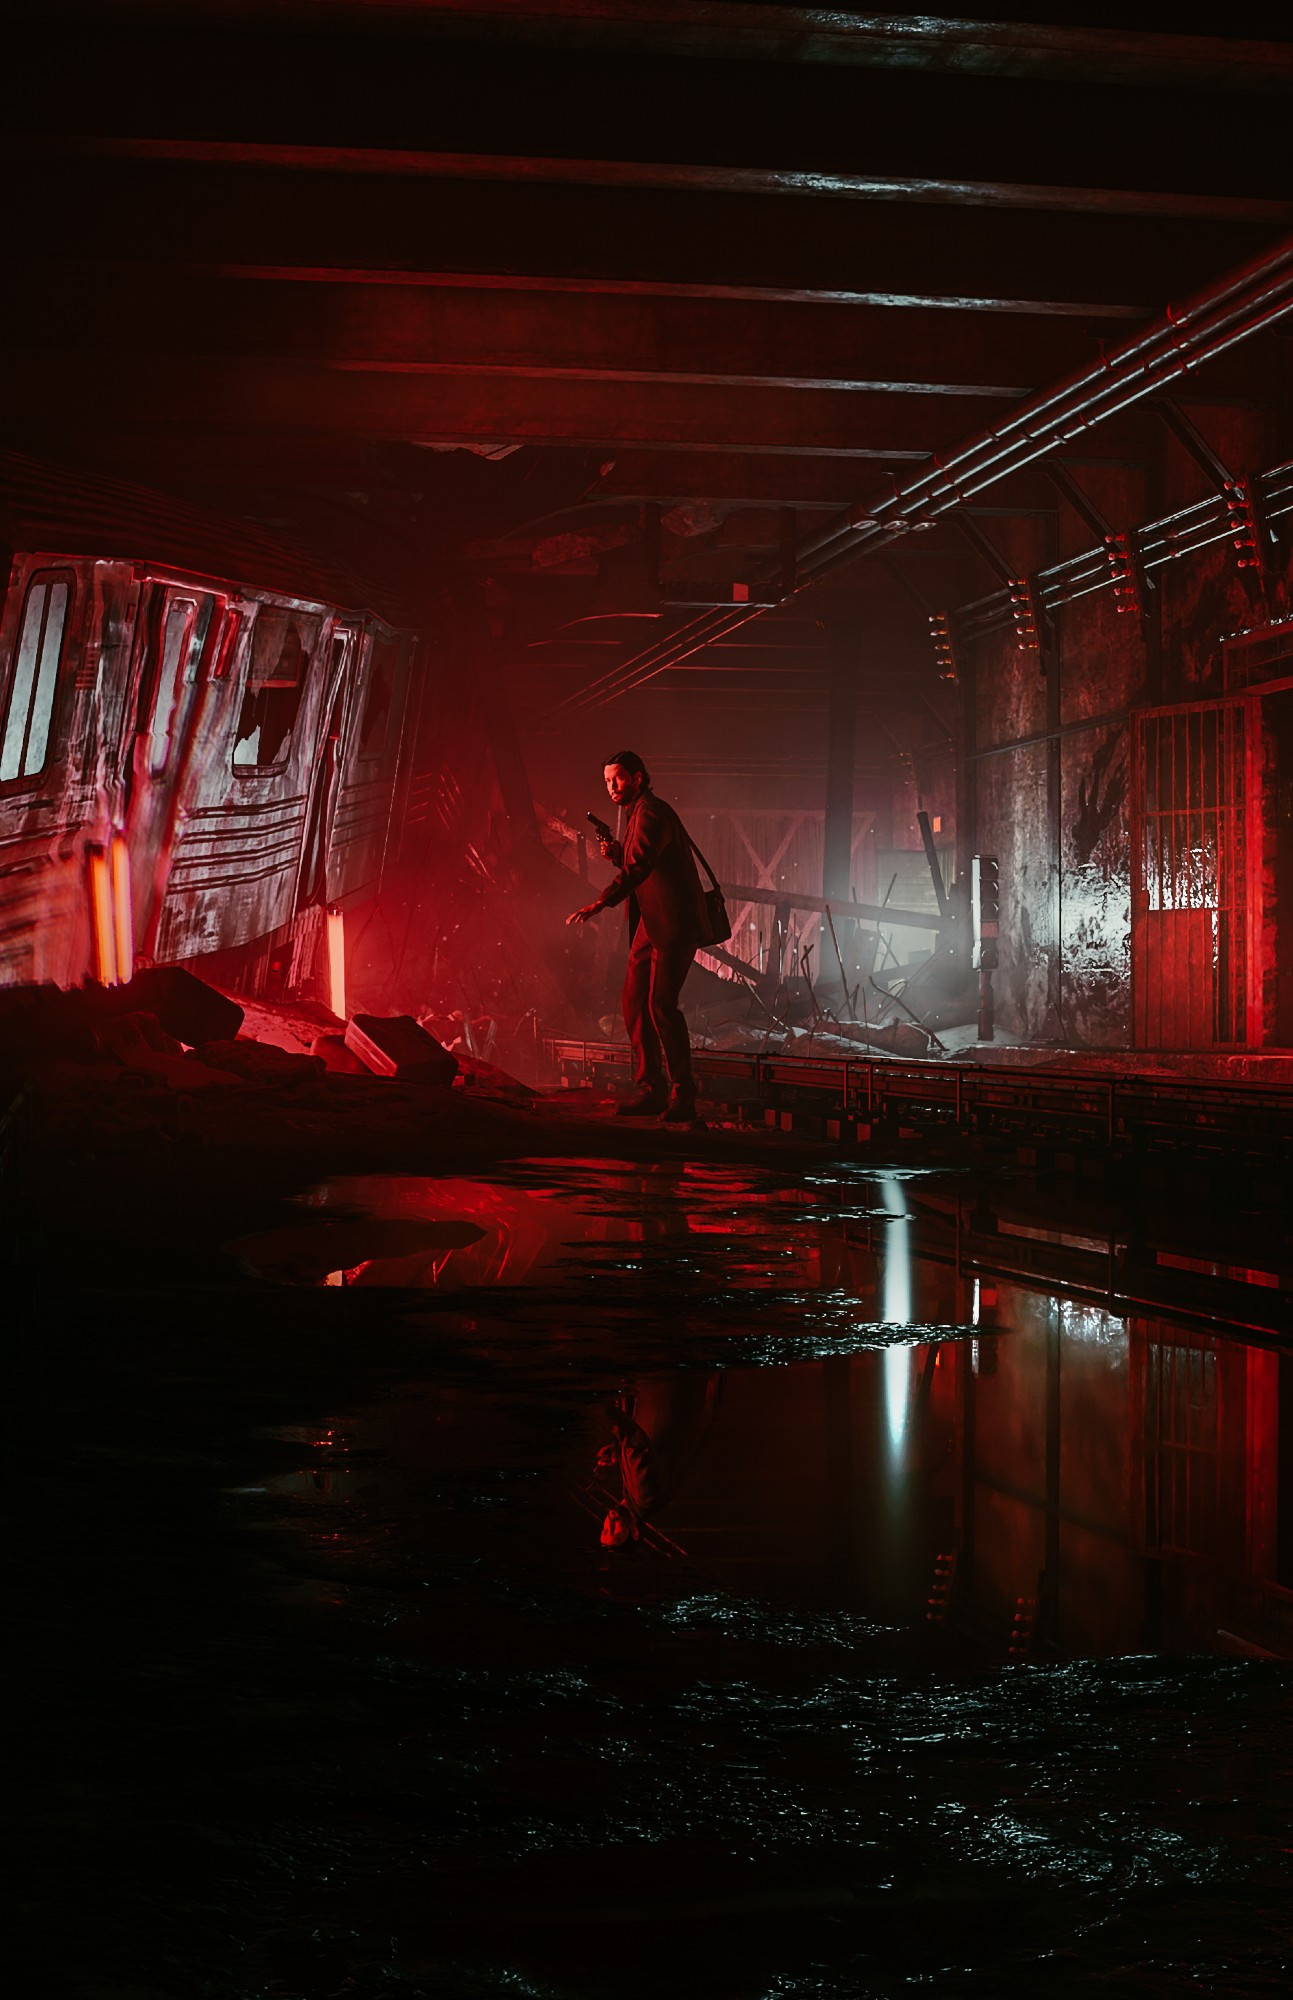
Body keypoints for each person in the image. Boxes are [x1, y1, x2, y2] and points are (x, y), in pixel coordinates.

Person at [566, 749, 709, 1122]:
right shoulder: (639, 814)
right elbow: (640, 861)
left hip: (674, 922)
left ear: (639, 778)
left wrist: (601, 902)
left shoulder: (650, 813)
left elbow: (642, 864)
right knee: (634, 1003)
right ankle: (652, 1089)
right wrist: (617, 856)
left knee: (661, 1005)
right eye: (608, 782)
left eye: (619, 779)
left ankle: (682, 1094)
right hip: (653, 920)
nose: (612, 787)